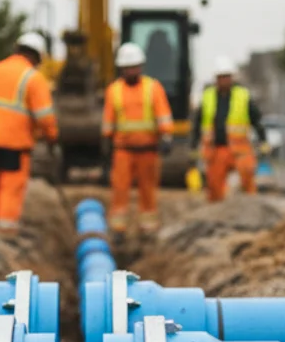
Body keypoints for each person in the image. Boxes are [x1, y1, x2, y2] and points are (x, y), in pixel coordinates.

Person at [0, 33, 58, 235]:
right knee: (12, 186)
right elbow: (44, 116)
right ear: (37, 56)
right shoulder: (33, 77)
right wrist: (51, 136)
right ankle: (6, 228)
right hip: (15, 141)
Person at [102, 43, 174, 241]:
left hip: (148, 150)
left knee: (148, 191)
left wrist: (166, 136)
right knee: (119, 190)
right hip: (123, 150)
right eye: (127, 67)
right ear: (121, 69)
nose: (131, 70)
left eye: (134, 66)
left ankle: (148, 230)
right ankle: (118, 229)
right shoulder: (114, 90)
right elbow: (109, 120)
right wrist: (106, 142)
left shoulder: (153, 88)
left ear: (141, 66)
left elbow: (163, 116)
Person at [189, 57, 267, 202]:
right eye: (221, 77)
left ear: (232, 78)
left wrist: (263, 140)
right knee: (214, 185)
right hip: (216, 149)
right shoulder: (207, 96)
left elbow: (256, 119)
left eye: (226, 77)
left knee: (247, 178)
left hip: (240, 149)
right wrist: (194, 145)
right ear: (216, 79)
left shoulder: (242, 95)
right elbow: (198, 123)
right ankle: (217, 213)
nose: (223, 80)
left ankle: (251, 210)